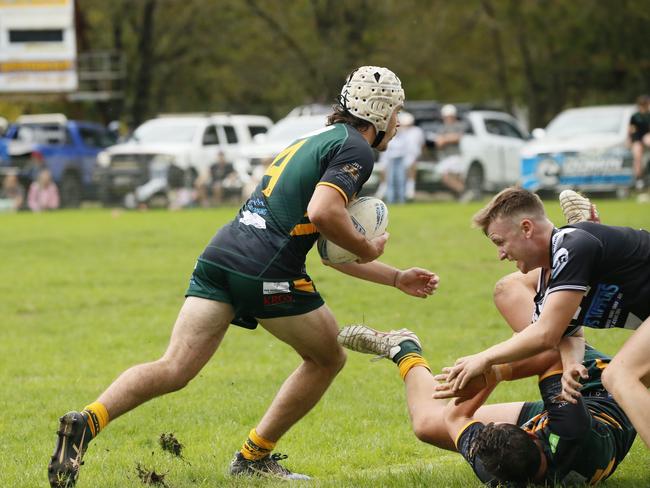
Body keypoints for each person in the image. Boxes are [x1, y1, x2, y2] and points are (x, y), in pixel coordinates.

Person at [48, 66, 440, 487]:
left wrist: (396, 277)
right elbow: (323, 213)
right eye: (396, 113)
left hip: (223, 253)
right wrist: (368, 246)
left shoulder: (312, 140)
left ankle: (88, 421)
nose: (398, 124)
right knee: (327, 358)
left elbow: (328, 253)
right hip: (267, 266)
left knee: (174, 367)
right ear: (379, 113)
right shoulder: (356, 149)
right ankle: (253, 457)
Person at [439, 187, 650, 447]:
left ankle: (585, 222)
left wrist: (485, 358)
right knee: (632, 385)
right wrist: (572, 363)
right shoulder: (548, 282)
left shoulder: (571, 246)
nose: (500, 254)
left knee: (619, 376)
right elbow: (567, 332)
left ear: (527, 228)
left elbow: (545, 334)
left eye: (500, 241)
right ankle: (587, 221)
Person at [337, 323, 636, 486]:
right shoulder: (570, 430)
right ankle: (580, 246)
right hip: (599, 388)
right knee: (514, 297)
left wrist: (482, 375)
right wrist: (493, 370)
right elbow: (553, 355)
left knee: (427, 425)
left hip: (569, 414)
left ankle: (403, 349)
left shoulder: (494, 469)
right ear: (532, 432)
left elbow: (455, 417)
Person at [377, 111, 424, 203]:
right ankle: (389, 197)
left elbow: (411, 151)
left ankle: (402, 198)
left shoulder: (412, 133)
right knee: (391, 180)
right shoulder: (391, 133)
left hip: (401, 159)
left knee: (400, 179)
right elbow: (385, 152)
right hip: (391, 160)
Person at [435, 104, 468, 200]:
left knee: (455, 176)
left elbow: (458, 137)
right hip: (447, 156)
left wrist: (445, 139)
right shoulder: (442, 127)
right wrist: (447, 139)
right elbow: (438, 143)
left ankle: (462, 192)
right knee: (445, 175)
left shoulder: (458, 125)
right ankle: (463, 192)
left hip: (456, 155)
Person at [629, 94, 650, 190]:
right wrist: (630, 141)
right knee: (637, 157)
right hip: (637, 139)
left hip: (646, 136)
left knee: (647, 139)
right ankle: (639, 179)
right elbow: (631, 129)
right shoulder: (635, 116)